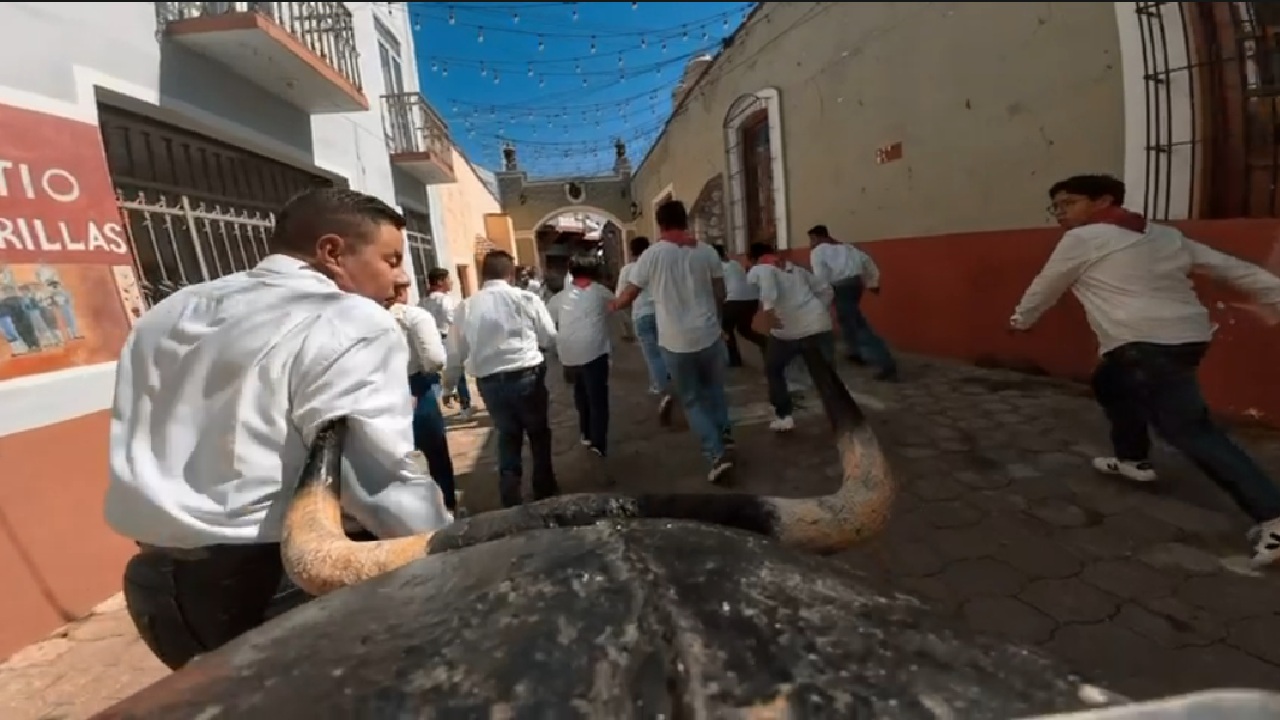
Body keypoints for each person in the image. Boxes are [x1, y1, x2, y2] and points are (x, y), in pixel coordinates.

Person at [106, 188, 454, 670]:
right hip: (278, 581)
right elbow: (381, 482)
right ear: (332, 252)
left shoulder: (172, 310)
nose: (401, 276)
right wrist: (452, 562)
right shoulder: (350, 318)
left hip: (160, 587)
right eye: (391, 258)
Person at [1011, 173, 1280, 568]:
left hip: (1145, 345)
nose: (1059, 214)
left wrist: (1021, 320)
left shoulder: (1083, 239)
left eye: (1068, 203)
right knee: (1110, 383)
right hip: (1185, 338)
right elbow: (1232, 268)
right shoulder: (1164, 236)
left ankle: (1272, 516)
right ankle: (1133, 460)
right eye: (1056, 206)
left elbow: (1046, 285)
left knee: (1190, 430)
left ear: (1103, 201)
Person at [612, 199, 734, 483]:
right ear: (685, 221)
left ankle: (716, 454)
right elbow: (720, 292)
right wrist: (718, 324)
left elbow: (630, 294)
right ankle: (726, 437)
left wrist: (613, 305)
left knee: (692, 400)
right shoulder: (706, 252)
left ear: (660, 224)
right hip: (709, 335)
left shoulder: (651, 256)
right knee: (715, 390)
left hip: (676, 342)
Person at [442, 250, 559, 507]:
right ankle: (544, 487)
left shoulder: (466, 306)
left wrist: (448, 386)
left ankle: (510, 494)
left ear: (483, 274)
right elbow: (549, 337)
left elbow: (454, 353)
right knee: (538, 433)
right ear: (510, 273)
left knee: (507, 434)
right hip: (527, 375)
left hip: (490, 383)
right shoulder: (526, 299)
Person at [745, 243, 836, 433]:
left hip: (787, 330)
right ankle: (839, 416)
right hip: (818, 326)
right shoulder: (796, 269)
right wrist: (816, 311)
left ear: (753, 258)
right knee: (824, 374)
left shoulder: (761, 268)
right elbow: (826, 290)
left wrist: (768, 311)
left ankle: (784, 416)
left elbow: (768, 285)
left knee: (774, 369)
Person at [386, 280, 457, 512]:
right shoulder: (413, 316)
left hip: (377, 390)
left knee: (394, 459)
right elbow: (435, 359)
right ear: (402, 291)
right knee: (435, 453)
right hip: (415, 386)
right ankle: (446, 506)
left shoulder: (357, 316)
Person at [807, 224, 899, 381]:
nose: (810, 243)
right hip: (855, 285)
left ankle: (885, 362)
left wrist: (821, 298)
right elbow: (868, 262)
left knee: (856, 324)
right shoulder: (848, 248)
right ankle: (854, 353)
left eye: (811, 239)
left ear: (816, 237)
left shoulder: (818, 252)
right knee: (846, 319)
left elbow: (821, 276)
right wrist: (872, 283)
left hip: (840, 287)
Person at [546, 252, 616, 458]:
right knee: (598, 399)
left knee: (580, 393)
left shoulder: (559, 298)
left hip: (568, 355)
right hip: (595, 352)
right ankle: (599, 443)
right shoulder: (601, 292)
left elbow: (548, 323)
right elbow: (617, 309)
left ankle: (585, 432)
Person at [617, 236, 670, 396]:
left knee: (652, 354)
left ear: (632, 251)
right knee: (666, 349)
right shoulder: (658, 266)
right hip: (662, 312)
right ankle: (667, 376)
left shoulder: (627, 270)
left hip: (642, 314)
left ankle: (660, 387)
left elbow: (621, 295)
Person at [421, 267, 474, 420]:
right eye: (448, 279)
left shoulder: (423, 301)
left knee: (437, 374)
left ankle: (439, 406)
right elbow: (454, 320)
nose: (451, 282)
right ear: (440, 282)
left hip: (432, 340)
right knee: (458, 371)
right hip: (447, 337)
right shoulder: (446, 300)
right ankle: (465, 406)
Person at [714, 243, 768, 368]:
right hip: (752, 300)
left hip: (735, 300)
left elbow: (718, 290)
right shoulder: (735, 264)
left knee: (724, 327)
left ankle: (734, 361)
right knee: (744, 329)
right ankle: (765, 342)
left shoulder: (717, 267)